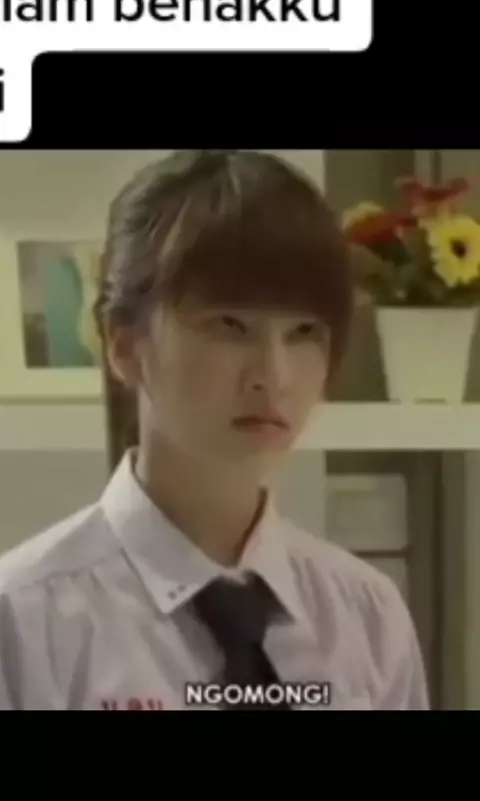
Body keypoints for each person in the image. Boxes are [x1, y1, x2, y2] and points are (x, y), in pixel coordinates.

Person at [0, 150, 429, 711]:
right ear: (124, 345)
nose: (273, 375)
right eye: (230, 325)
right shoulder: (27, 621)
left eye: (304, 332)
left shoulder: (366, 616)